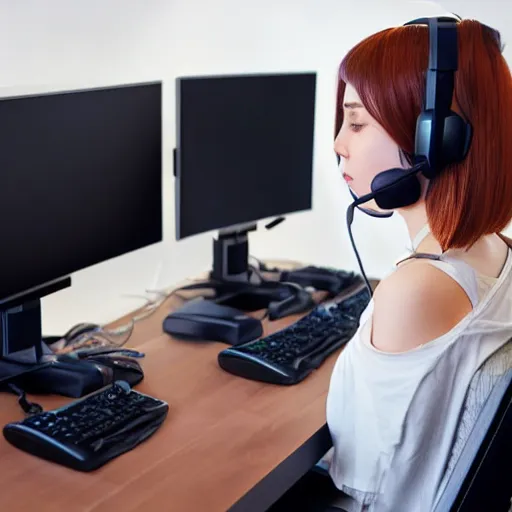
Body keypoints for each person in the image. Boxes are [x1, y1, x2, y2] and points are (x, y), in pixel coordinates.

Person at [323, 17, 512, 512]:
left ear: (434, 140)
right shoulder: (499, 249)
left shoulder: (419, 288)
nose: (340, 143)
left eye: (356, 122)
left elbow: (357, 472)